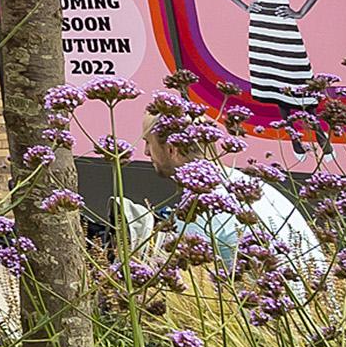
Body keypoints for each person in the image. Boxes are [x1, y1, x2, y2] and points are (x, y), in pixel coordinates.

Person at [135, 114, 328, 283]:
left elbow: (188, 288)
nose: (145, 152)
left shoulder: (199, 206)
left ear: (172, 150)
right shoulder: (249, 185)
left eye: (148, 142)